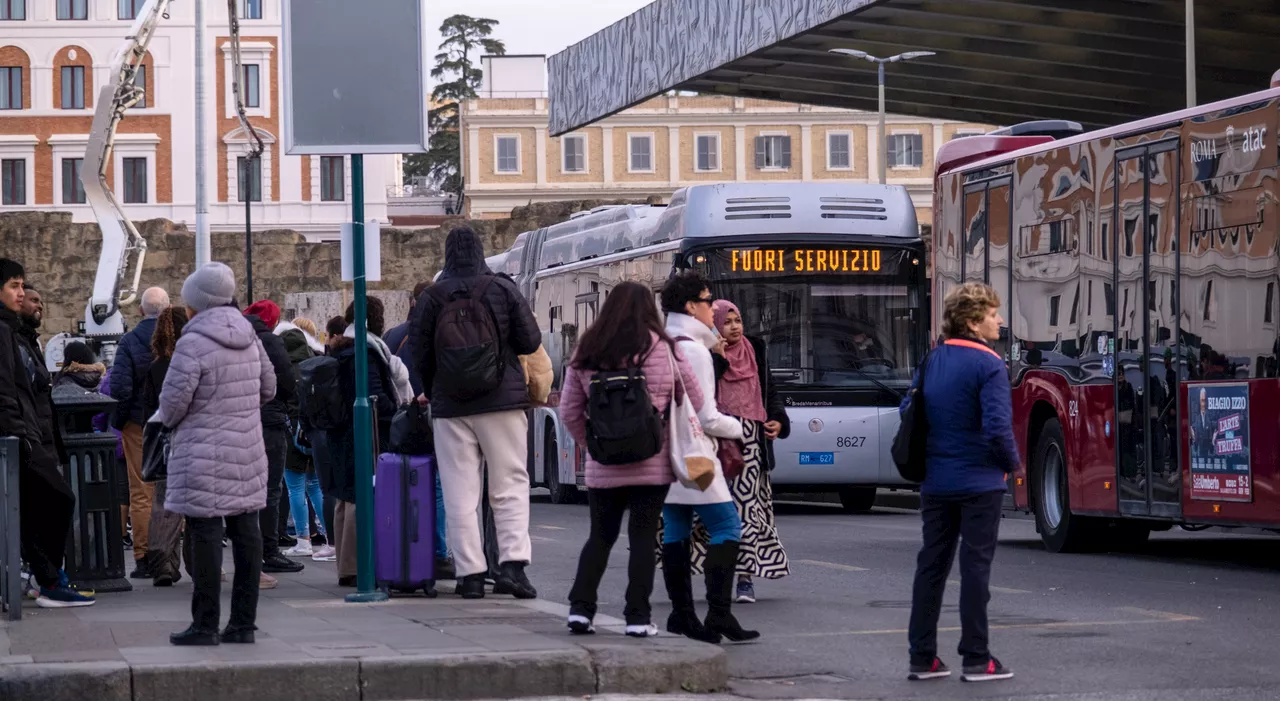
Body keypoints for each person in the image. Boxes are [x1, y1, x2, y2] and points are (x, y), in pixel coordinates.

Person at [410, 226, 541, 600]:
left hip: (451, 407)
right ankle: (513, 568)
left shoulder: (433, 297)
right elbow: (530, 341)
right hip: (502, 401)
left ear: (447, 254)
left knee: (459, 491)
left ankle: (470, 575)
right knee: (510, 484)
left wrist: (438, 386)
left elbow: (419, 354)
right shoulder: (501, 288)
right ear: (480, 251)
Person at [559, 282, 696, 637]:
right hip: (652, 463)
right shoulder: (664, 348)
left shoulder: (587, 350)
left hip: (603, 465)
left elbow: (569, 412)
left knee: (600, 537)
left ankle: (580, 610)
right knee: (643, 538)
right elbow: (692, 397)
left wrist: (593, 447)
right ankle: (637, 616)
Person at [904, 281, 1017, 683]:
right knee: (975, 569)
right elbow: (998, 428)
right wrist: (1013, 466)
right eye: (992, 314)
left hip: (936, 482)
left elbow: (910, 410)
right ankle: (976, 656)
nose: (999, 321)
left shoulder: (932, 360)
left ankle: (923, 657)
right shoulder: (989, 364)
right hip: (980, 482)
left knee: (931, 566)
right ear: (972, 321)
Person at [157, 263, 275, 645]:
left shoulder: (192, 342)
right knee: (246, 533)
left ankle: (205, 625)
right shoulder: (251, 336)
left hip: (203, 452)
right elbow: (269, 388)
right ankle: (243, 624)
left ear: (197, 303)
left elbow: (172, 406)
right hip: (247, 449)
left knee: (206, 532)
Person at [660, 272, 758, 643]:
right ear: (690, 306)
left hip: (667, 458)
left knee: (676, 530)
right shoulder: (696, 351)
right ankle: (719, 613)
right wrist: (738, 429)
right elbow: (706, 416)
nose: (712, 307)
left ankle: (682, 614)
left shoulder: (664, 343)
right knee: (727, 527)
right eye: (706, 300)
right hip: (697, 457)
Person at [0, 260, 94, 607]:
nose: (22, 294)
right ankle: (49, 579)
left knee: (31, 513)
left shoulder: (17, 334)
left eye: (22, 286)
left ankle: (49, 578)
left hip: (34, 436)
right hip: (22, 439)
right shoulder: (4, 332)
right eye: (14, 286)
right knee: (58, 500)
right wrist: (20, 436)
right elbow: (7, 392)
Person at [707, 300, 790, 604]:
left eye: (738, 320)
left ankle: (744, 578)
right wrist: (717, 357)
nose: (734, 327)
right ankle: (715, 574)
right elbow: (701, 393)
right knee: (713, 512)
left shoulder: (755, 350)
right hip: (716, 442)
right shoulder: (706, 353)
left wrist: (778, 420)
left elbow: (770, 391)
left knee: (747, 510)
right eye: (727, 321)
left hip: (751, 443)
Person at [317, 296, 401, 586]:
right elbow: (375, 396)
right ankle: (356, 569)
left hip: (339, 433)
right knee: (359, 497)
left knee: (344, 498)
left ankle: (345, 565)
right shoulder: (364, 352)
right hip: (363, 434)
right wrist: (398, 411)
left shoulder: (339, 349)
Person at [109, 285, 170, 578]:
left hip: (138, 423)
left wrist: (121, 421)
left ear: (141, 309)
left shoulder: (130, 341)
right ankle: (169, 556)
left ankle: (144, 557)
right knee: (173, 488)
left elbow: (120, 386)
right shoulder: (177, 339)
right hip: (173, 421)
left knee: (141, 491)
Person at [243, 300, 304, 577]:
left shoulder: (237, 336)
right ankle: (269, 550)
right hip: (269, 420)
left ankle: (248, 549)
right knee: (270, 488)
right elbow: (285, 380)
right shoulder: (270, 341)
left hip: (239, 421)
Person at [139, 307, 194, 587]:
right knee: (194, 506)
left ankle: (163, 563)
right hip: (191, 439)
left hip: (164, 443)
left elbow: (148, 410)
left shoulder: (156, 366)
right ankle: (192, 562)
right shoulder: (189, 362)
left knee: (163, 503)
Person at [274, 317, 333, 561]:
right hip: (313, 432)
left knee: (295, 487)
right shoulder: (313, 366)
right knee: (316, 486)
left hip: (291, 433)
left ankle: (303, 539)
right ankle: (330, 538)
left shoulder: (283, 370)